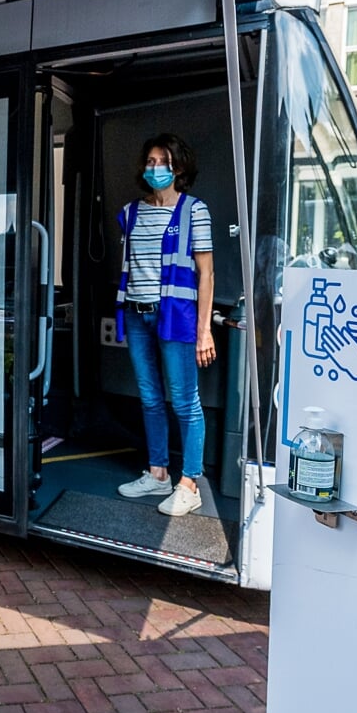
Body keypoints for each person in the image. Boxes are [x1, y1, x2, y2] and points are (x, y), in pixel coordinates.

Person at [113, 133, 216, 517]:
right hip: (137, 314)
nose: (156, 168)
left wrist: (204, 331)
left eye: (164, 162)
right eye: (151, 161)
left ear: (180, 168)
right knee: (151, 397)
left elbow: (207, 274)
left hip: (176, 315)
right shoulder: (130, 213)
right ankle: (157, 473)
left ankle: (189, 483)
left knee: (185, 400)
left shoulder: (194, 211)